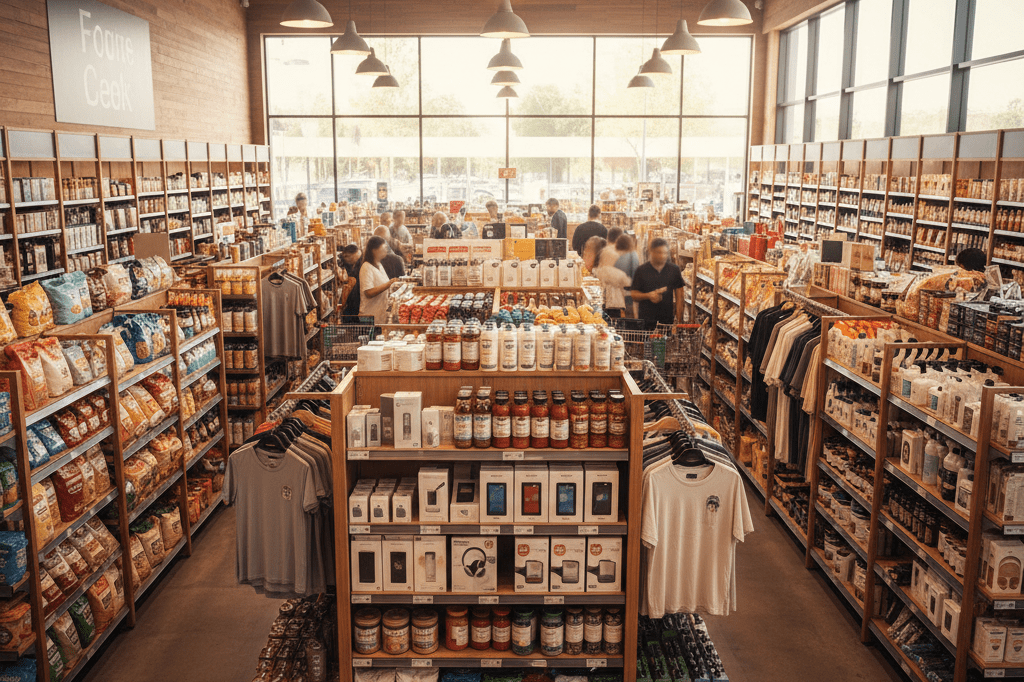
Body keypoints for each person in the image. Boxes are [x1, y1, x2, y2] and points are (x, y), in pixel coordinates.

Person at [631, 237, 684, 329]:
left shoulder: (674, 270)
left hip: (666, 322)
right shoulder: (641, 270)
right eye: (659, 252)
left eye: (665, 253)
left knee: (663, 343)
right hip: (646, 321)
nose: (662, 256)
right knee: (648, 343)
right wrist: (648, 295)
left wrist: (678, 322)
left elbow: (680, 297)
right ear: (651, 252)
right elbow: (633, 295)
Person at [359, 236, 398, 324]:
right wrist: (389, 284)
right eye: (384, 248)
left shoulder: (379, 264)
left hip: (379, 316)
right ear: (374, 250)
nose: (386, 250)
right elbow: (368, 292)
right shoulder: (366, 267)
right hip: (369, 318)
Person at [594, 238, 632, 319]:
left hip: (602, 302)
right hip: (616, 304)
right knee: (616, 322)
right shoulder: (618, 273)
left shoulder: (598, 271)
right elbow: (628, 283)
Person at [612, 233, 640, 316]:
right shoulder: (633, 254)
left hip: (617, 293)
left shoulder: (617, 256)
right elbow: (635, 273)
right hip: (629, 292)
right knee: (629, 316)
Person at [340, 244, 362, 320]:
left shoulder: (360, 264)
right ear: (345, 256)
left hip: (354, 301)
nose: (357, 262)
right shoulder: (341, 264)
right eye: (354, 259)